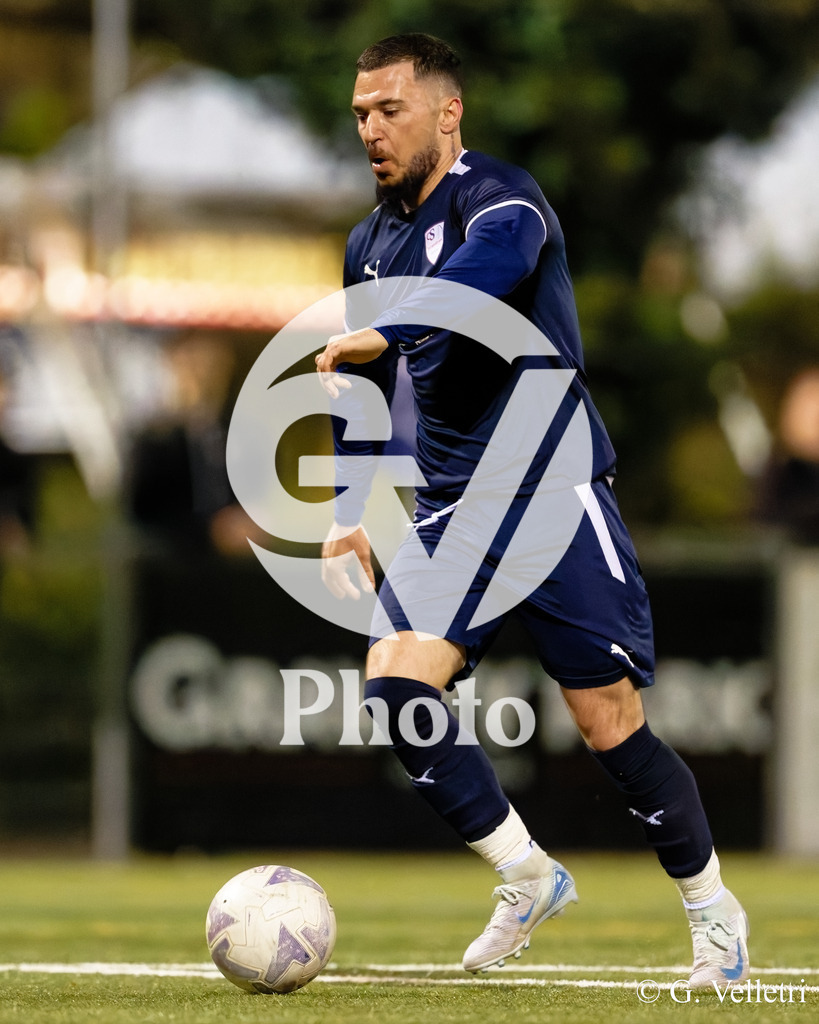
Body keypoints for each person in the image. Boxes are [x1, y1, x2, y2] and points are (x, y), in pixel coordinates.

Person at [315, 33, 749, 987]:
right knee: (394, 687)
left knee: (607, 722)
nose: (371, 130)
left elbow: (484, 279)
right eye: (360, 114)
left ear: (447, 113)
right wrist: (352, 506)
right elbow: (366, 387)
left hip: (553, 491)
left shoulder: (502, 199)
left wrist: (388, 327)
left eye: (389, 110)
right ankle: (524, 873)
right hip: (455, 508)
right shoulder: (368, 243)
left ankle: (713, 912)